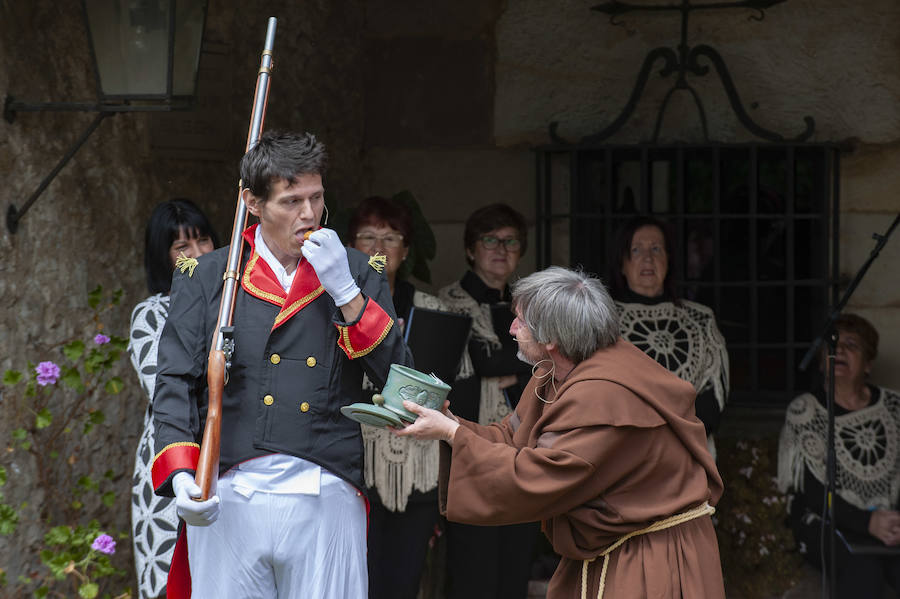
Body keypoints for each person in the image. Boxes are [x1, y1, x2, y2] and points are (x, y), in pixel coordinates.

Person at [149, 131, 412, 599]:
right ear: (252, 202)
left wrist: (347, 294)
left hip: (326, 489)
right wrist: (182, 473)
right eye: (291, 201)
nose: (309, 215)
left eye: (316, 197)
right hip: (229, 490)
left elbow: (397, 379)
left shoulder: (358, 271)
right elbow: (175, 384)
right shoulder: (208, 277)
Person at [397, 266, 726, 599]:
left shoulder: (601, 393)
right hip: (613, 551)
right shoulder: (556, 371)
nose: (511, 329)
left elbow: (539, 475)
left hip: (650, 559)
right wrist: (450, 422)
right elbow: (515, 439)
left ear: (552, 338)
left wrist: (454, 435)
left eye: (521, 322)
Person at [346, 196, 448, 599]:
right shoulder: (331, 310)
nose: (378, 247)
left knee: (404, 581)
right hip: (354, 466)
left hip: (417, 470)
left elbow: (446, 386)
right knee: (357, 582)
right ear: (350, 247)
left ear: (406, 251)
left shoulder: (431, 310)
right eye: (367, 237)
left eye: (390, 237)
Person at [437, 203, 538, 599]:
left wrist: (514, 369)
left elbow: (551, 362)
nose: (502, 248)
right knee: (472, 570)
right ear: (470, 249)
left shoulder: (531, 305)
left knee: (515, 566)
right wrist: (523, 367)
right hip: (472, 452)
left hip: (525, 451)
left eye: (511, 241)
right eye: (490, 240)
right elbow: (476, 366)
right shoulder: (449, 302)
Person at [128, 198, 218, 599]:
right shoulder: (151, 314)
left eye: (203, 241)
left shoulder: (237, 304)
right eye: (182, 248)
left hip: (231, 466)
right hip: (170, 468)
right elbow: (168, 388)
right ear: (163, 258)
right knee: (169, 587)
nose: (197, 254)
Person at [777, 313, 900, 598]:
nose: (840, 350)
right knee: (863, 571)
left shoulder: (894, 409)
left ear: (868, 363)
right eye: (832, 345)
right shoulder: (806, 411)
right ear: (822, 361)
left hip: (888, 521)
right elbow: (812, 492)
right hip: (824, 522)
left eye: (852, 344)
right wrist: (867, 523)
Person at [611, 215, 729, 454]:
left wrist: (674, 440)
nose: (648, 258)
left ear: (668, 260)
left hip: (688, 453)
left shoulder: (700, 320)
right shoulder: (603, 321)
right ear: (622, 263)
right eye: (636, 249)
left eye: (656, 248)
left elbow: (713, 395)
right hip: (622, 454)